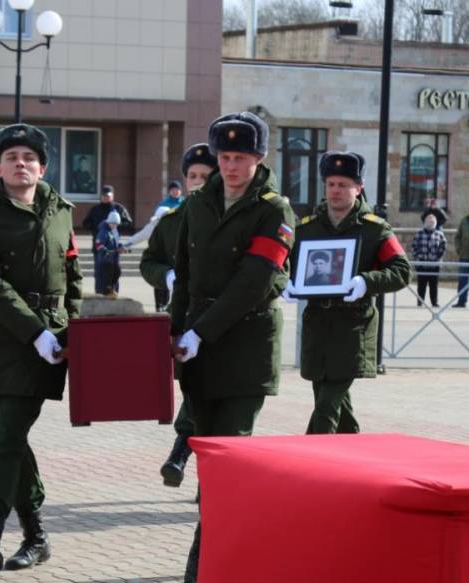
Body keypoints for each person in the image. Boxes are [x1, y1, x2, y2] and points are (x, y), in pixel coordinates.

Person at [169, 112, 296, 582]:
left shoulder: (273, 209)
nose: (231, 166)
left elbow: (254, 282)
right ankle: (220, 550)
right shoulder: (199, 203)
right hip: (198, 350)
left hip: (243, 347)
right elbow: (183, 272)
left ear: (259, 159)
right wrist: (174, 330)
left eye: (241, 157)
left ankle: (204, 562)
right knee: (208, 454)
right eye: (224, 157)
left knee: (230, 454)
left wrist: (199, 331)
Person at [0, 124, 82, 580]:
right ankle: (36, 535)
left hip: (46, 347)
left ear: (43, 167)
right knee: (5, 439)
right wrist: (34, 331)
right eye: (11, 156)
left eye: (29, 157)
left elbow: (72, 278)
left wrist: (71, 329)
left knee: (6, 435)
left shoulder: (60, 213)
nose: (20, 164)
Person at [293, 151, 411, 436]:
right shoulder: (308, 228)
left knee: (326, 407)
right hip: (317, 324)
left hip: (352, 326)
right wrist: (286, 281)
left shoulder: (374, 229)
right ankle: (354, 449)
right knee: (329, 397)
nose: (335, 191)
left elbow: (401, 271)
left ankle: (311, 461)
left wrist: (366, 281)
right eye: (331, 184)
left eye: (343, 184)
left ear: (358, 188)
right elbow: (285, 262)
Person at [140, 142, 217, 487]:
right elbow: (149, 260)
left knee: (211, 398)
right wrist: (166, 275)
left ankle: (181, 453)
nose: (198, 181)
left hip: (223, 320)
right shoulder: (171, 221)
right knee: (194, 389)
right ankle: (187, 459)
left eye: (205, 175)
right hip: (183, 318)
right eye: (192, 176)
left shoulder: (226, 217)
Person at [82, 185, 133, 293]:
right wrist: (97, 227)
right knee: (99, 271)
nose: (106, 198)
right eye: (104, 196)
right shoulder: (95, 209)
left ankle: (113, 292)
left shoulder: (118, 208)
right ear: (101, 196)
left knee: (114, 271)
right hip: (99, 247)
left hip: (114, 248)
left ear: (112, 196)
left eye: (108, 196)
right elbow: (85, 223)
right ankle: (99, 292)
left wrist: (115, 225)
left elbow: (128, 222)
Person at [124, 180, 184, 249]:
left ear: (181, 191)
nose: (175, 192)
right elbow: (157, 214)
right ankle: (126, 245)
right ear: (169, 191)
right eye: (173, 190)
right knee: (144, 233)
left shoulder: (184, 202)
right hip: (161, 225)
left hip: (177, 227)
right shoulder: (164, 202)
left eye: (177, 189)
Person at [409, 213, 447, 307]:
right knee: (421, 284)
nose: (430, 223)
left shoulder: (439, 234)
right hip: (422, 264)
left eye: (432, 222)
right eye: (428, 221)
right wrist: (418, 258)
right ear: (425, 222)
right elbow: (413, 248)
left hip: (435, 265)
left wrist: (437, 258)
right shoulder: (419, 234)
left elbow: (443, 247)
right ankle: (420, 301)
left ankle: (434, 302)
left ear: (435, 223)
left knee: (434, 285)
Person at [94, 210, 125, 297]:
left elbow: (116, 242)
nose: (114, 226)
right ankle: (107, 291)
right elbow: (98, 244)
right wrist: (106, 251)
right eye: (113, 224)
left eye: (116, 224)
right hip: (106, 259)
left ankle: (113, 290)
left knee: (117, 272)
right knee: (108, 276)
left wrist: (121, 246)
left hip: (114, 258)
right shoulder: (103, 231)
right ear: (109, 222)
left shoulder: (114, 230)